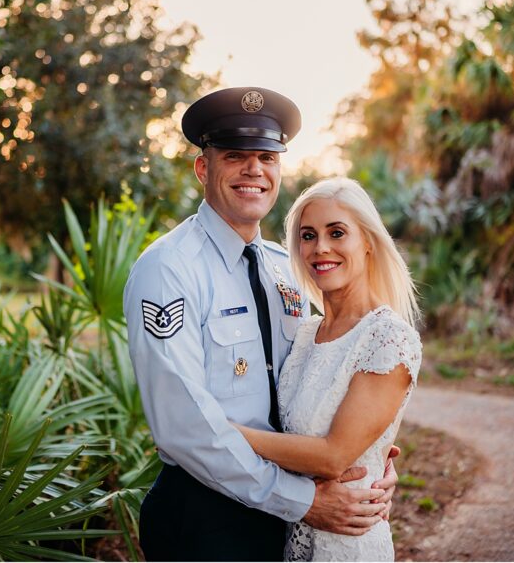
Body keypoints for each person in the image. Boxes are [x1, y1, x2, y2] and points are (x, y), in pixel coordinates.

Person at [124, 87, 398, 562]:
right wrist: (304, 502)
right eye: (235, 156)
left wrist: (373, 461)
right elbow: (181, 426)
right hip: (208, 514)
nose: (254, 170)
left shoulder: (289, 269)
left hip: (286, 513)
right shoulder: (169, 269)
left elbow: (334, 376)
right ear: (203, 168)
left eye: (267, 157)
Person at [233, 177, 422, 561]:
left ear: (368, 241)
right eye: (308, 235)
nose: (321, 248)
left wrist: (219, 433)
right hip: (294, 532)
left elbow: (334, 455)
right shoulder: (303, 333)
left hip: (348, 542)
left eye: (337, 233)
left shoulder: (389, 338)